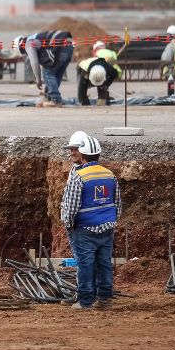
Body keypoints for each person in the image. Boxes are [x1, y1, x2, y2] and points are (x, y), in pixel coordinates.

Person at [60, 133, 121, 310]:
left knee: (85, 264)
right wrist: (110, 221)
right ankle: (105, 299)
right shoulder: (109, 174)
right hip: (107, 227)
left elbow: (71, 206)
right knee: (104, 263)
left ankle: (86, 301)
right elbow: (117, 203)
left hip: (85, 228)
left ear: (83, 153)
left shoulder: (80, 176)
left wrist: (69, 224)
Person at [14, 30, 74, 107]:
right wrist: (46, 89)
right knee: (56, 73)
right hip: (69, 44)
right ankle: (50, 97)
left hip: (60, 43)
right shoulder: (35, 37)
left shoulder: (28, 44)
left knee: (47, 72)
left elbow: (34, 62)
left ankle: (56, 100)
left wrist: (38, 79)